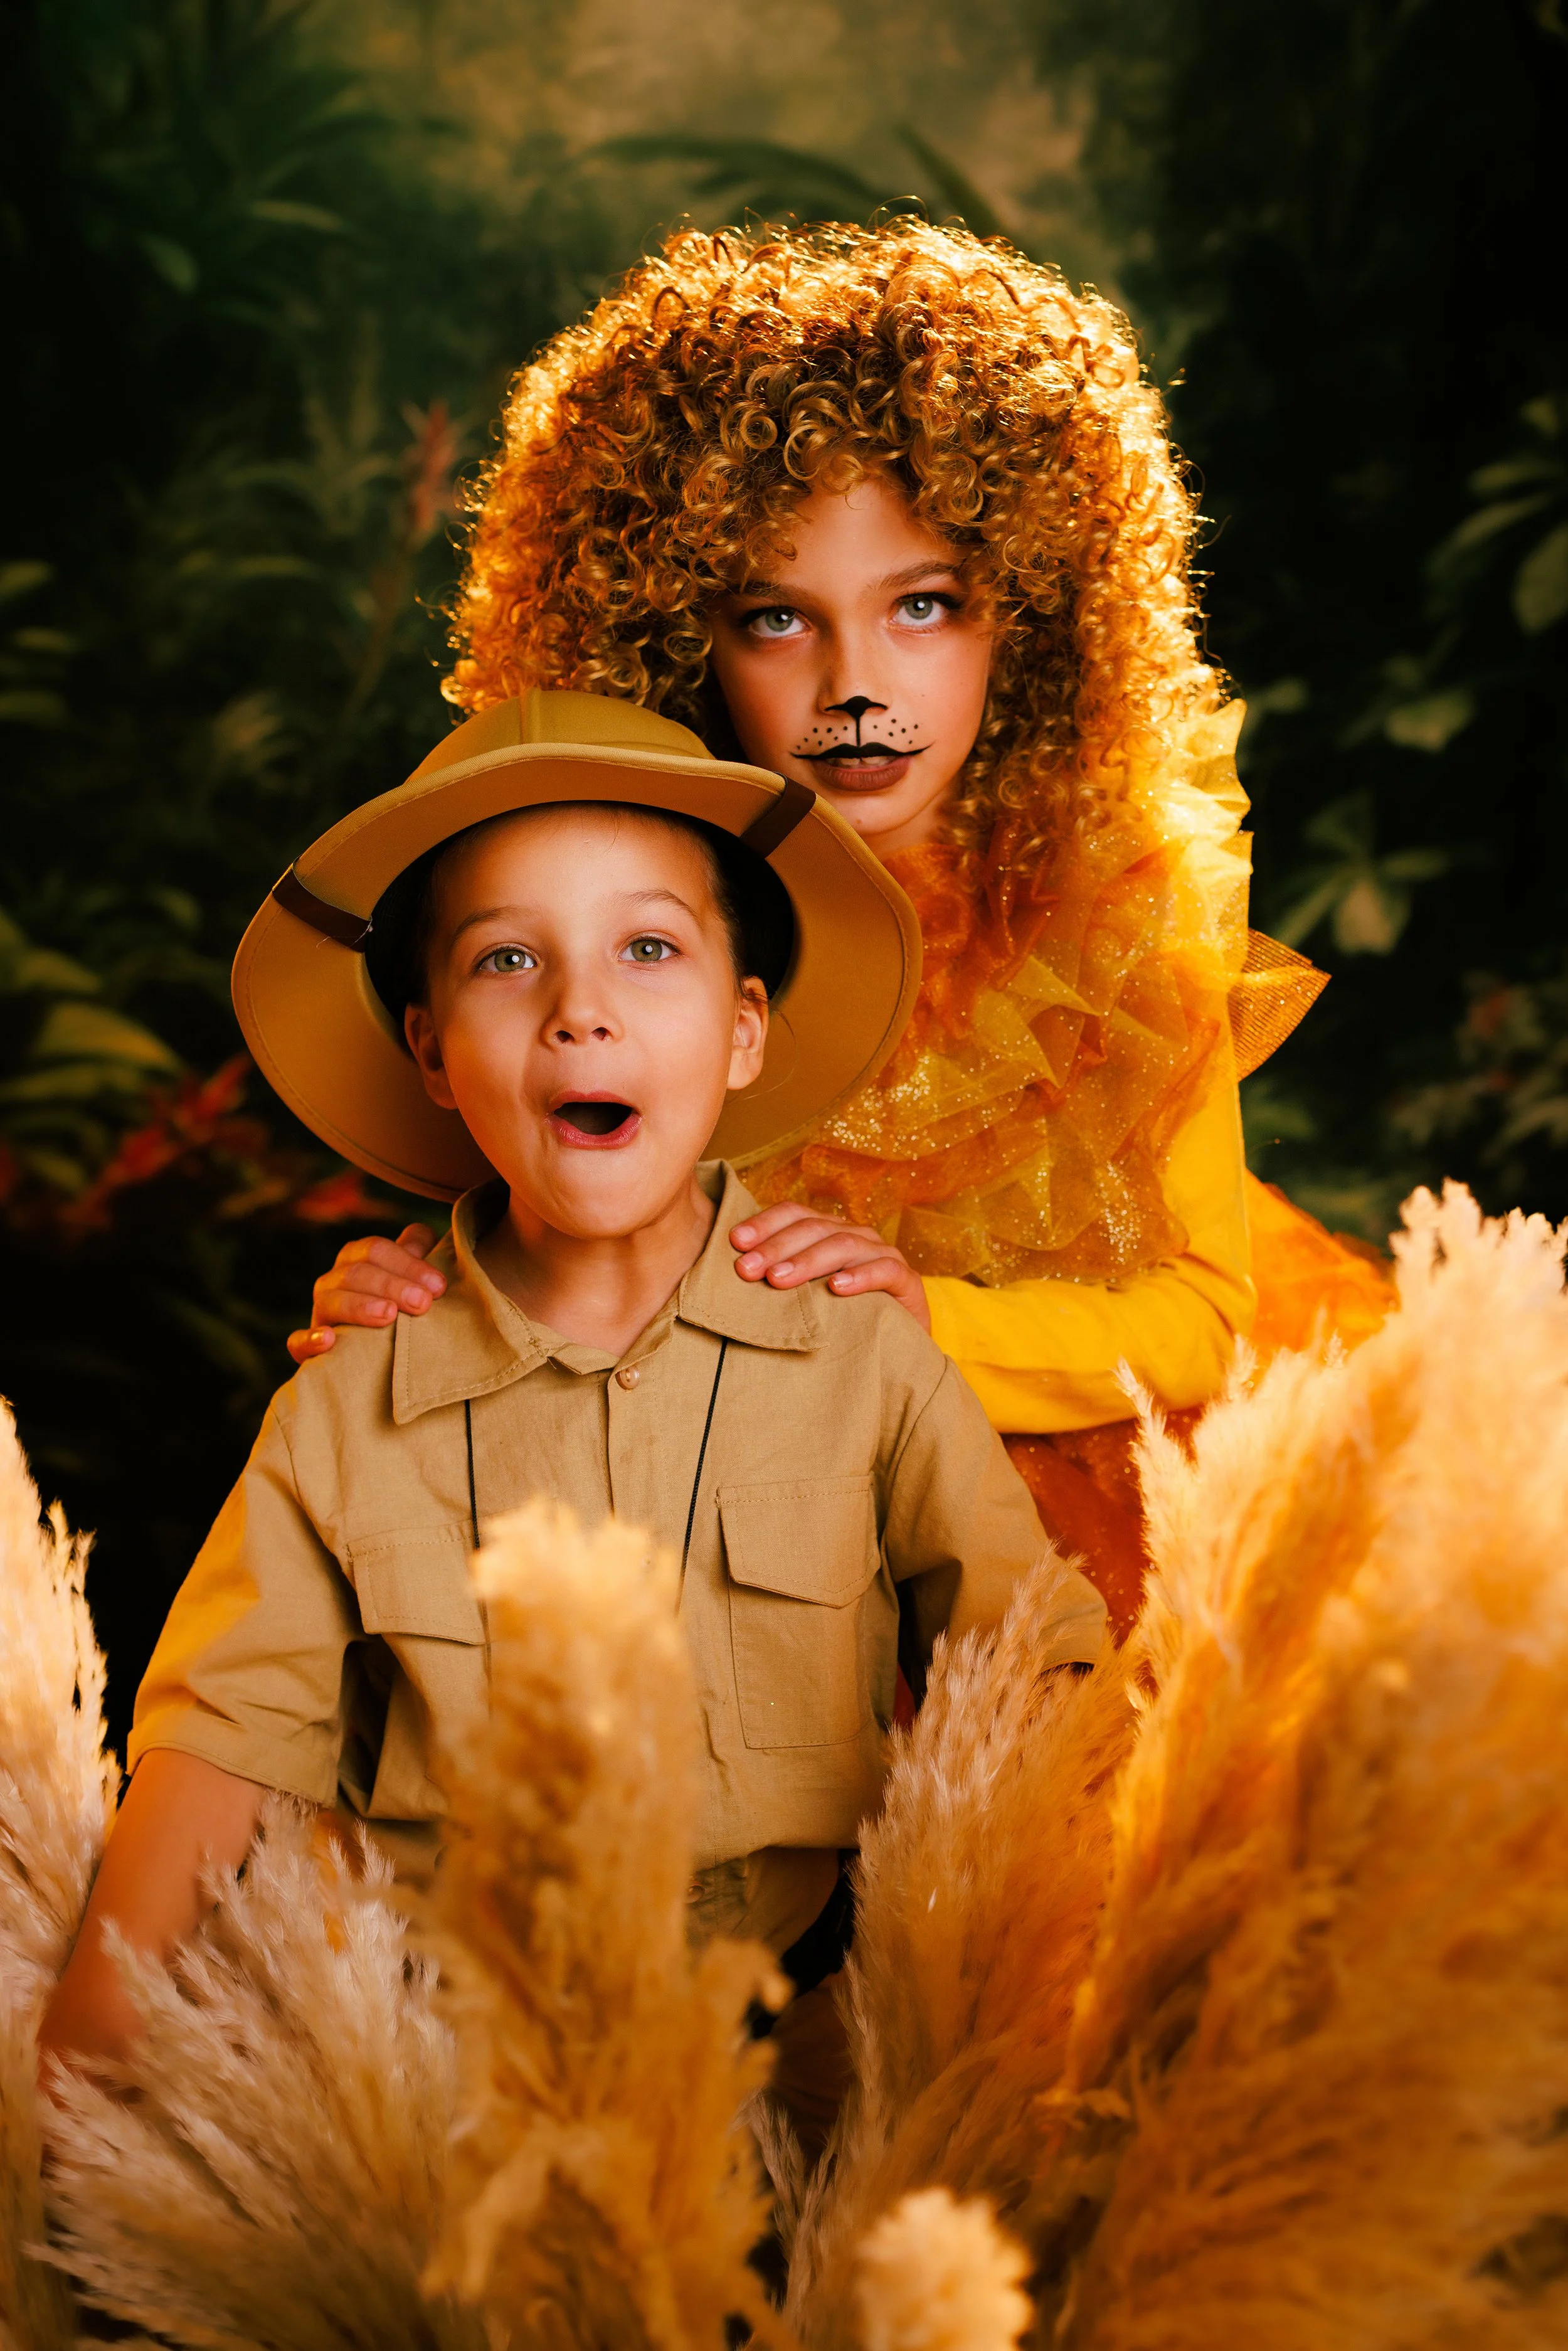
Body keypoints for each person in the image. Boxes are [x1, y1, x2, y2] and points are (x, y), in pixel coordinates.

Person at [292, 222, 1390, 1630]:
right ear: (677, 635)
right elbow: (556, 1224)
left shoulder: (1099, 919)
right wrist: (408, 1288)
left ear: (1032, 618)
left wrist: (931, 1325)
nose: (856, 685)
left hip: (1079, 1534)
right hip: (740, 1549)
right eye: (774, 619)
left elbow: (1204, 1316)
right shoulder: (637, 925)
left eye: (922, 607)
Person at [39, 689, 1105, 2123]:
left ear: (741, 1031)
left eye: (647, 948)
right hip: (446, 2094)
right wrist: (73, 2108)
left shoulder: (858, 1352)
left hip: (810, 2065)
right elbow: (219, 1750)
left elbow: (1036, 1670)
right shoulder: (353, 1401)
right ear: (429, 1051)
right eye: (507, 960)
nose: (580, 1006)